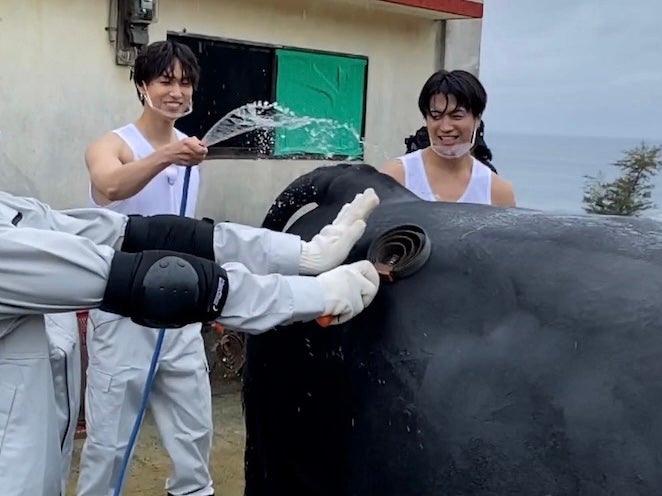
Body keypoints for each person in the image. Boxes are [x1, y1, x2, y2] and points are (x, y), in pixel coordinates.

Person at [0, 188, 381, 496]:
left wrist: (303, 254)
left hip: (34, 469)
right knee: (109, 452)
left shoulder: (10, 210)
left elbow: (142, 234)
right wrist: (314, 294)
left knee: (192, 440)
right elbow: (161, 284)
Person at [75, 39, 219, 496]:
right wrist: (165, 157)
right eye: (164, 81)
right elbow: (109, 186)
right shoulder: (113, 144)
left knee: (194, 434)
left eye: (185, 82)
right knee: (109, 443)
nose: (176, 91)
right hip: (121, 311)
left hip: (178, 311)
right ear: (142, 86)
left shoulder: (190, 150)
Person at [381, 69, 516, 207]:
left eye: (457, 115)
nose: (445, 127)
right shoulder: (396, 177)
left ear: (477, 119)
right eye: (436, 115)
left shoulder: (497, 192)